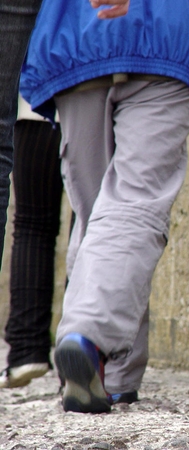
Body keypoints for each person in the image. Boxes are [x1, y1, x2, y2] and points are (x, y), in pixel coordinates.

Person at [20, 0, 189, 413]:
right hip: (168, 33)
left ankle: (110, 375)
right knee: (134, 206)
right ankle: (89, 337)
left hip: (73, 38)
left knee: (95, 218)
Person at [0, 0, 129, 272]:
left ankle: (82, 313)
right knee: (91, 211)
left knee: (79, 213)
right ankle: (82, 313)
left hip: (73, 63)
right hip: (74, 62)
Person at [0, 97, 62, 388]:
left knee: (32, 223)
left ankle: (27, 349)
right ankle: (82, 346)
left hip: (35, 100)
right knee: (92, 220)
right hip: (93, 93)